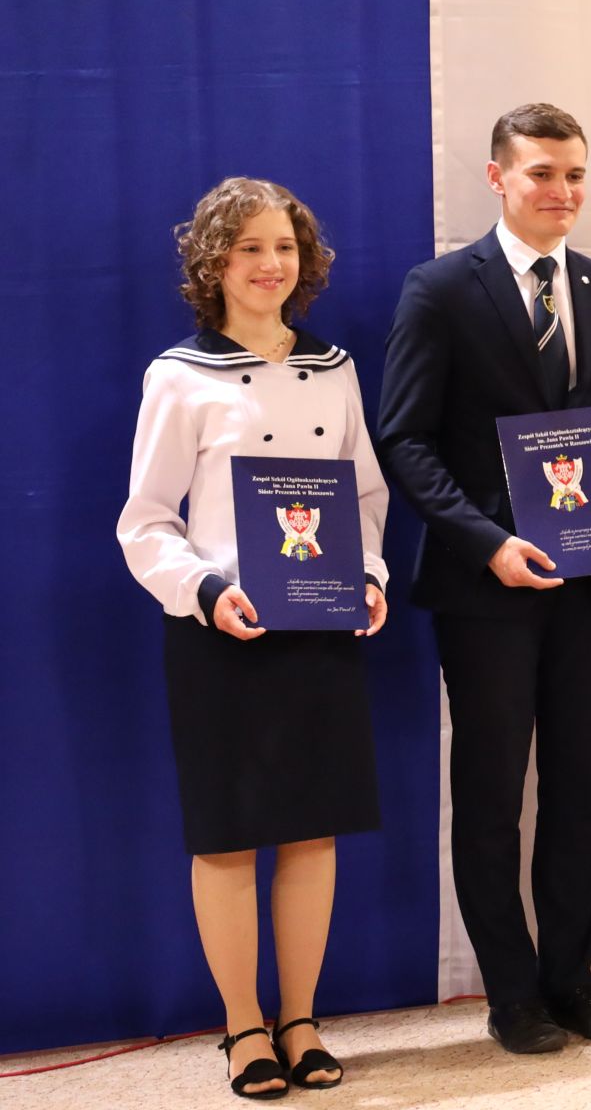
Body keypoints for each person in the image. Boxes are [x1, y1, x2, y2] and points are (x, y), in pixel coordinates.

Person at [377, 104, 591, 1051]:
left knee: (580, 793)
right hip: (487, 589)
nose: (562, 191)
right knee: (493, 797)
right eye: (542, 173)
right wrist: (487, 542)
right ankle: (512, 993)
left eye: (575, 174)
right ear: (498, 177)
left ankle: (571, 980)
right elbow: (405, 440)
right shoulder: (440, 288)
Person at [118, 178, 389, 1098]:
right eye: (249, 249)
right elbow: (146, 521)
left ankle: (301, 1020)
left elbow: (364, 496)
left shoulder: (335, 368)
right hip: (221, 633)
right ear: (214, 264)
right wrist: (204, 591)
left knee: (312, 831)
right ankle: (243, 1028)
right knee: (229, 835)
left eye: (285, 247)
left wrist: (369, 576)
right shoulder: (179, 375)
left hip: (319, 622)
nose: (271, 265)